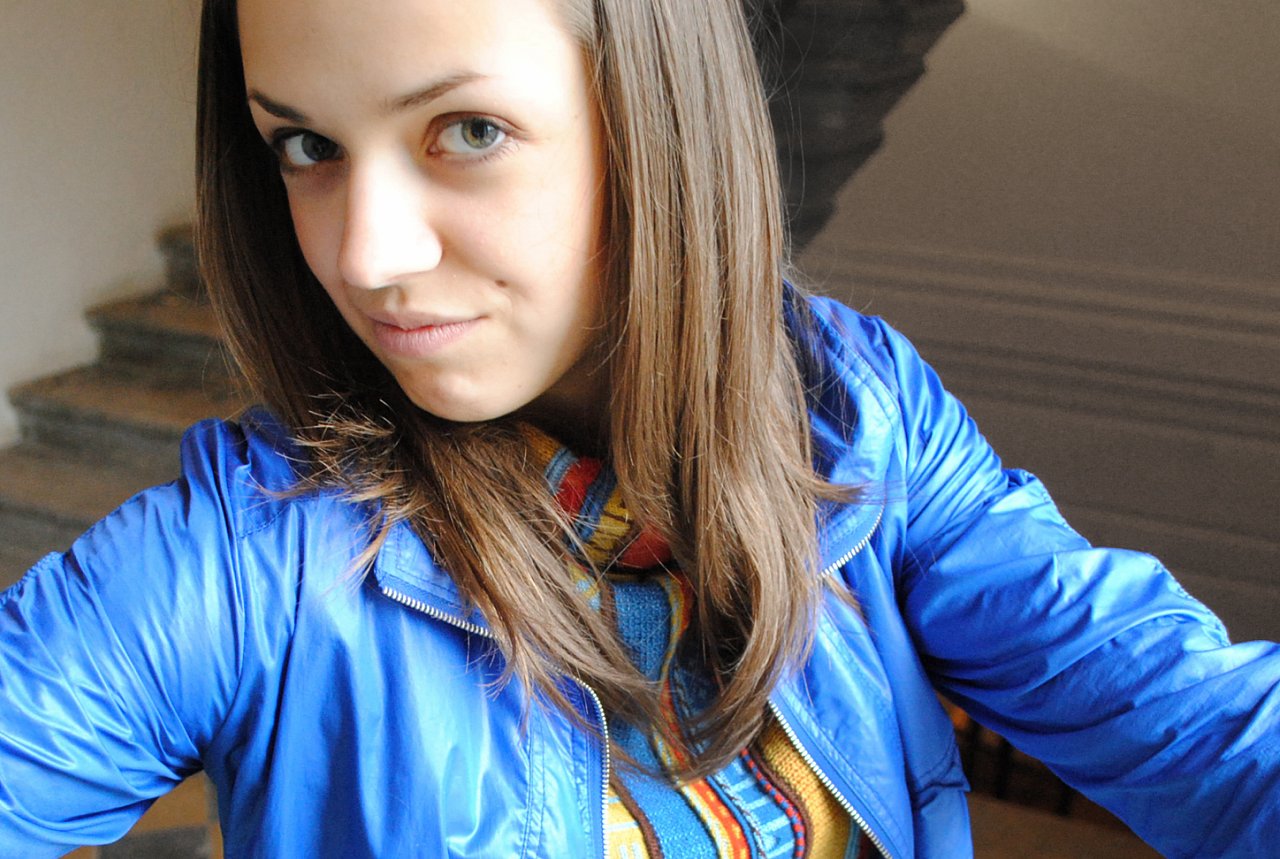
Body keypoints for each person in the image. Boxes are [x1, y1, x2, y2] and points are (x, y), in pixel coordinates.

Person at [1, 0, 1277, 857]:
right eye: (304, 145)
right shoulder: (249, 555)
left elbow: (1191, 716)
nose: (364, 254)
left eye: (467, 131)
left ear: (656, 118)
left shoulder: (855, 413)